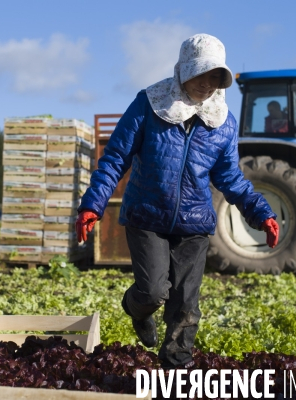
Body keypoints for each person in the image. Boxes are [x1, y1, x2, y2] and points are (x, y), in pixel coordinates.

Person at [75, 34, 279, 370]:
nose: (207, 84)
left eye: (215, 76)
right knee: (154, 291)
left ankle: (177, 367)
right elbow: (115, 158)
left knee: (186, 303)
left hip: (194, 224)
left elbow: (230, 177)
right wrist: (91, 206)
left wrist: (261, 213)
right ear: (183, 70)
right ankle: (135, 307)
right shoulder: (150, 103)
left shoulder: (222, 122)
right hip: (146, 217)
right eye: (201, 74)